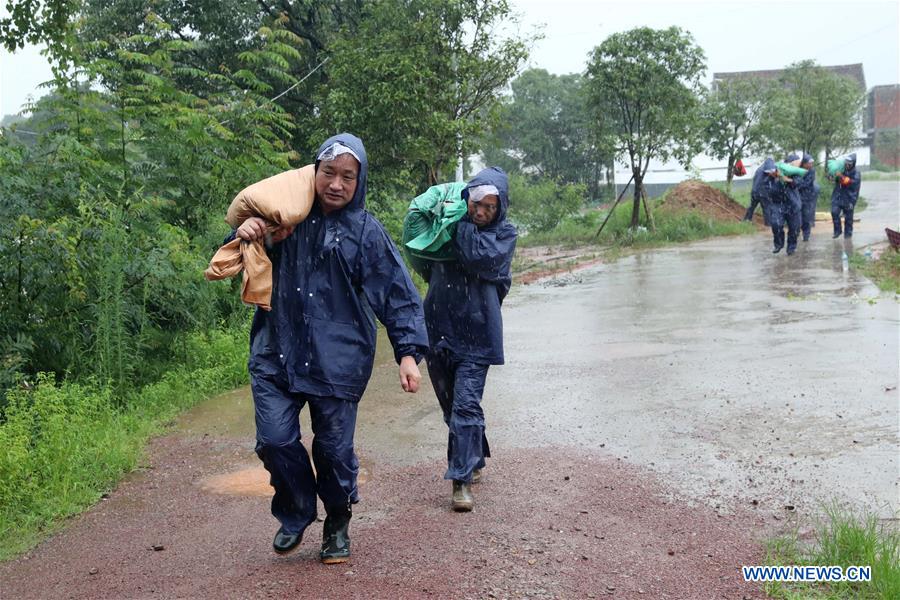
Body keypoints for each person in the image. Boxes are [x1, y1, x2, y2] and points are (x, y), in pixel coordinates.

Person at [234, 133, 429, 563]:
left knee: (333, 452)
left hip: (337, 360)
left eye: (347, 176)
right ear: (314, 172)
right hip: (276, 351)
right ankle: (297, 511)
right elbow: (243, 251)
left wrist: (408, 353)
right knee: (274, 440)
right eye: (329, 173)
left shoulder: (365, 231)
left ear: (359, 182)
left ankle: (337, 520)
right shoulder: (283, 216)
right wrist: (249, 232)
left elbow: (396, 294)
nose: (336, 184)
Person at [423, 167, 517, 512]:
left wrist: (457, 225)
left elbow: (482, 259)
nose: (480, 212)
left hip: (478, 332)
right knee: (451, 408)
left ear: (500, 208)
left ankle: (460, 481)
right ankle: (474, 455)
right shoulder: (446, 225)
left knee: (465, 405)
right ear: (467, 199)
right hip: (439, 326)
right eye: (476, 203)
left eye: (489, 207)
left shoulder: (505, 234)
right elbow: (420, 253)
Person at [768, 157, 802, 255]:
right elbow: (768, 185)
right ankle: (778, 244)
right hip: (778, 203)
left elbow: (796, 184)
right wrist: (774, 176)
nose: (797, 164)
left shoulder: (797, 173)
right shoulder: (776, 170)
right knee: (776, 224)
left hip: (793, 203)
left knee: (794, 228)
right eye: (795, 162)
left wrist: (784, 178)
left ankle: (791, 247)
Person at [829, 153, 861, 239]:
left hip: (850, 198)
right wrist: (831, 177)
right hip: (838, 196)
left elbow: (849, 182)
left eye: (849, 163)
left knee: (848, 219)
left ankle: (848, 237)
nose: (847, 165)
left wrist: (841, 176)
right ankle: (837, 231)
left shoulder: (856, 173)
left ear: (853, 163)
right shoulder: (841, 169)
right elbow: (835, 179)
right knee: (834, 212)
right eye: (846, 163)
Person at [745, 158, 775, 225]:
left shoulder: (759, 169)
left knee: (752, 206)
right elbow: (768, 182)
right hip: (763, 192)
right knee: (766, 208)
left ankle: (746, 219)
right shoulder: (768, 170)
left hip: (754, 191)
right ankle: (768, 224)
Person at [796, 153, 818, 242]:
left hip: (808, 197)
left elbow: (806, 184)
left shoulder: (811, 171)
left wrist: (797, 184)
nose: (811, 165)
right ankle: (796, 233)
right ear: (804, 163)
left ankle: (806, 236)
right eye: (809, 163)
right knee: (797, 217)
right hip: (797, 197)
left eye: (811, 163)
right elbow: (796, 181)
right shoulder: (797, 170)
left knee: (807, 217)